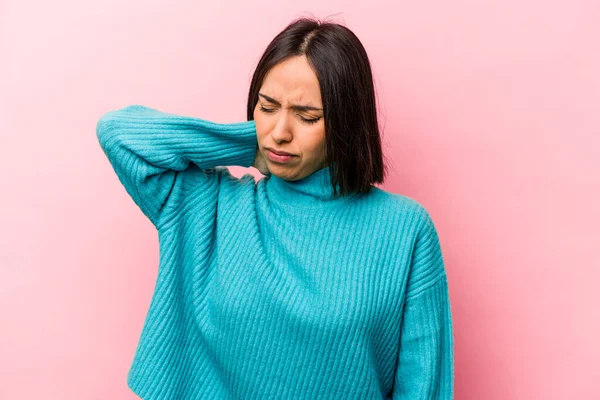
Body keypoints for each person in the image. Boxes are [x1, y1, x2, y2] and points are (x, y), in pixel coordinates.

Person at [96, 16, 454, 400]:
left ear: (346, 123)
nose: (280, 131)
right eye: (267, 108)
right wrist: (249, 146)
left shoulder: (404, 230)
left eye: (307, 116)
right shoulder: (211, 207)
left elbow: (423, 386)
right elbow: (118, 132)